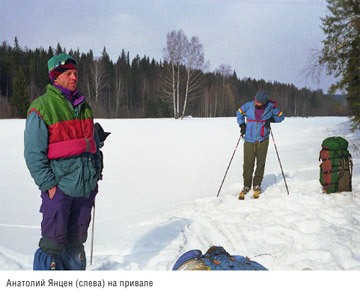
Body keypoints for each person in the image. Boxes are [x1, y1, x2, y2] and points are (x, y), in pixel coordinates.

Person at [24, 53, 102, 270]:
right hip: (60, 190)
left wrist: (96, 171)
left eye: (76, 73)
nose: (74, 77)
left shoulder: (84, 106)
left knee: (76, 241)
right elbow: (33, 154)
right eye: (68, 73)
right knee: (52, 243)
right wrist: (49, 186)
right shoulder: (41, 107)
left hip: (85, 190)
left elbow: (92, 143)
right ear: (55, 77)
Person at [236, 90, 284, 199]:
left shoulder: (270, 108)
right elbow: (239, 113)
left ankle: (257, 184)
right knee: (248, 164)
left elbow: (281, 116)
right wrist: (242, 124)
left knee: (261, 163)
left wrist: (272, 119)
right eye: (255, 100)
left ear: (264, 102)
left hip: (263, 140)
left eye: (258, 102)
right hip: (249, 139)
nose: (256, 103)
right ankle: (246, 185)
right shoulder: (248, 106)